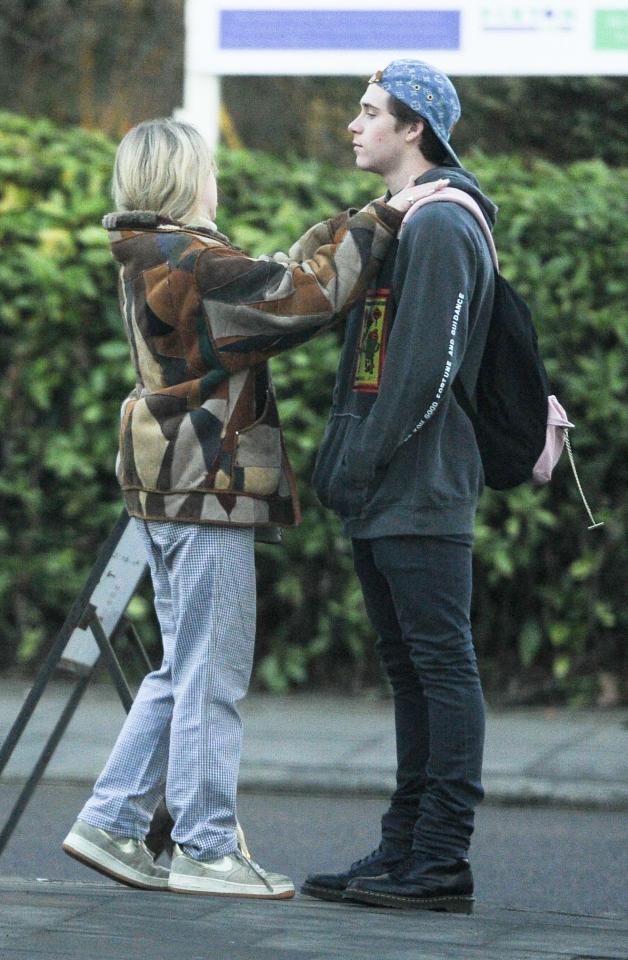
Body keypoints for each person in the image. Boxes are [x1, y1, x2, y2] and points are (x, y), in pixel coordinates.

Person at [61, 117, 445, 899]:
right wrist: (379, 219)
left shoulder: (156, 254)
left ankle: (111, 821)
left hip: (169, 485)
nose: (216, 180)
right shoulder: (191, 259)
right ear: (182, 180)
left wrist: (351, 221)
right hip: (208, 486)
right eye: (205, 169)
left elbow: (271, 272)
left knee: (184, 666)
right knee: (213, 674)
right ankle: (205, 848)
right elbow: (299, 295)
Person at [302, 60, 497, 913]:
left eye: (371, 110)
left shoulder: (445, 227)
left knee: (442, 669)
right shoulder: (401, 223)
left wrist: (360, 460)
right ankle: (403, 848)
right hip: (385, 490)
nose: (354, 123)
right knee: (410, 673)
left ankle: (441, 859)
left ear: (414, 127)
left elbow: (425, 370)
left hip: (421, 488)